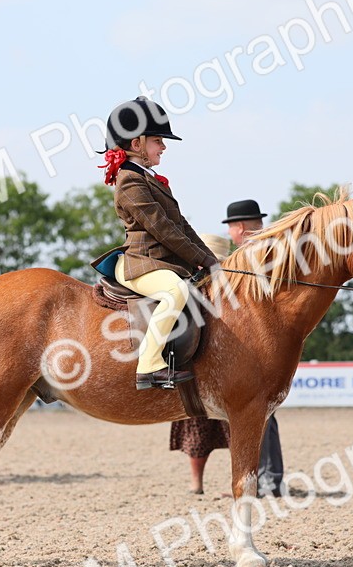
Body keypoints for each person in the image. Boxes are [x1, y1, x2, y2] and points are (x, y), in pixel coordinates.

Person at [91, 96, 220, 390]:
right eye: (158, 140)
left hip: (160, 261)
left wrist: (211, 258)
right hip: (140, 262)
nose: (163, 146)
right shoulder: (129, 181)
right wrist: (202, 260)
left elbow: (181, 225)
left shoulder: (153, 179)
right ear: (137, 144)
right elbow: (162, 229)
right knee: (175, 292)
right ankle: (149, 365)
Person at [222, 199, 286, 497]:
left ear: (239, 227)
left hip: (256, 344)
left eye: (232, 227)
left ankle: (269, 477)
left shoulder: (254, 254)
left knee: (260, 416)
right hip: (263, 342)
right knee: (262, 416)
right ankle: (269, 477)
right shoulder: (268, 250)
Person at [170, 233, 232, 494]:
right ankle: (196, 483)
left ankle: (219, 482)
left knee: (230, 429)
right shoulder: (190, 294)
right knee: (196, 429)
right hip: (198, 371)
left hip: (217, 373)